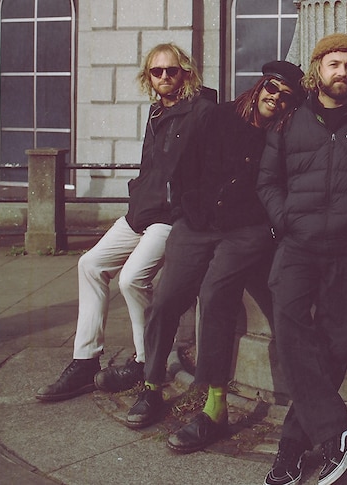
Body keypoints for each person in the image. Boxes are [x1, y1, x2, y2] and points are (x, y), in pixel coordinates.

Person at [123, 61, 305, 447]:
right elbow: (184, 166)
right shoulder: (219, 116)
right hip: (197, 222)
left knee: (216, 295)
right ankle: (152, 384)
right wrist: (186, 211)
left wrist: (269, 227)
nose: (276, 98)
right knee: (167, 297)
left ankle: (215, 406)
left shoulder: (284, 136)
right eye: (272, 88)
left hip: (247, 231)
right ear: (259, 87)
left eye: (287, 96)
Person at [35, 43, 216, 402]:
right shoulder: (154, 112)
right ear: (148, 77)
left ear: (186, 73)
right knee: (90, 264)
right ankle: (86, 361)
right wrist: (138, 194)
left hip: (171, 216)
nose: (164, 77)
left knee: (133, 279)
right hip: (141, 212)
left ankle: (146, 361)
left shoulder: (202, 112)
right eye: (156, 71)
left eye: (172, 70)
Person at [257, 33, 347, 485]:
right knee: (292, 330)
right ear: (318, 69)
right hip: (297, 246)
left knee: (333, 346)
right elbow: (268, 180)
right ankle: (336, 432)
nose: (343, 73)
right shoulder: (291, 119)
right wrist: (285, 218)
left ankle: (291, 448)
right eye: (334, 64)